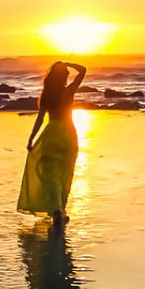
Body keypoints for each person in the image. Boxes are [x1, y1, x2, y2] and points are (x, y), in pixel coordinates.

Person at [18, 60, 87, 225]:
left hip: (51, 134)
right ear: (64, 77)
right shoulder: (68, 91)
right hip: (68, 134)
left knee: (51, 175)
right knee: (65, 173)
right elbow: (83, 70)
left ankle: (56, 210)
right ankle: (60, 211)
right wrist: (69, 64)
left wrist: (31, 138)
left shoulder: (47, 96)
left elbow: (40, 119)